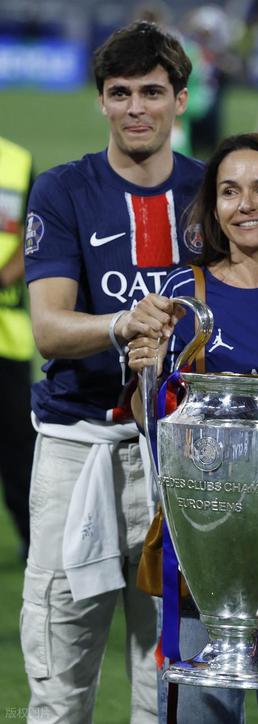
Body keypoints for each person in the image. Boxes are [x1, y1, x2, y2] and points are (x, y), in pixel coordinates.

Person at [21, 21, 204, 724]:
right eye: (120, 92)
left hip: (185, 454)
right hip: (80, 448)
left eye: (152, 92)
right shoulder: (63, 190)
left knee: (169, 684)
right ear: (100, 99)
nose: (135, 108)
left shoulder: (213, 191)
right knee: (60, 677)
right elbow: (48, 326)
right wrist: (122, 324)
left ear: (180, 99)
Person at [126, 133, 258, 724]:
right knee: (199, 712)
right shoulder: (182, 294)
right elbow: (151, 421)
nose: (246, 205)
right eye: (230, 192)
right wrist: (145, 374)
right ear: (212, 205)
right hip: (206, 542)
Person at [0, 135, 36, 560]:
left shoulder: (16, 162)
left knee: (19, 451)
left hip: (7, 335)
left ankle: (35, 544)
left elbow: (34, 235)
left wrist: (5, 275)